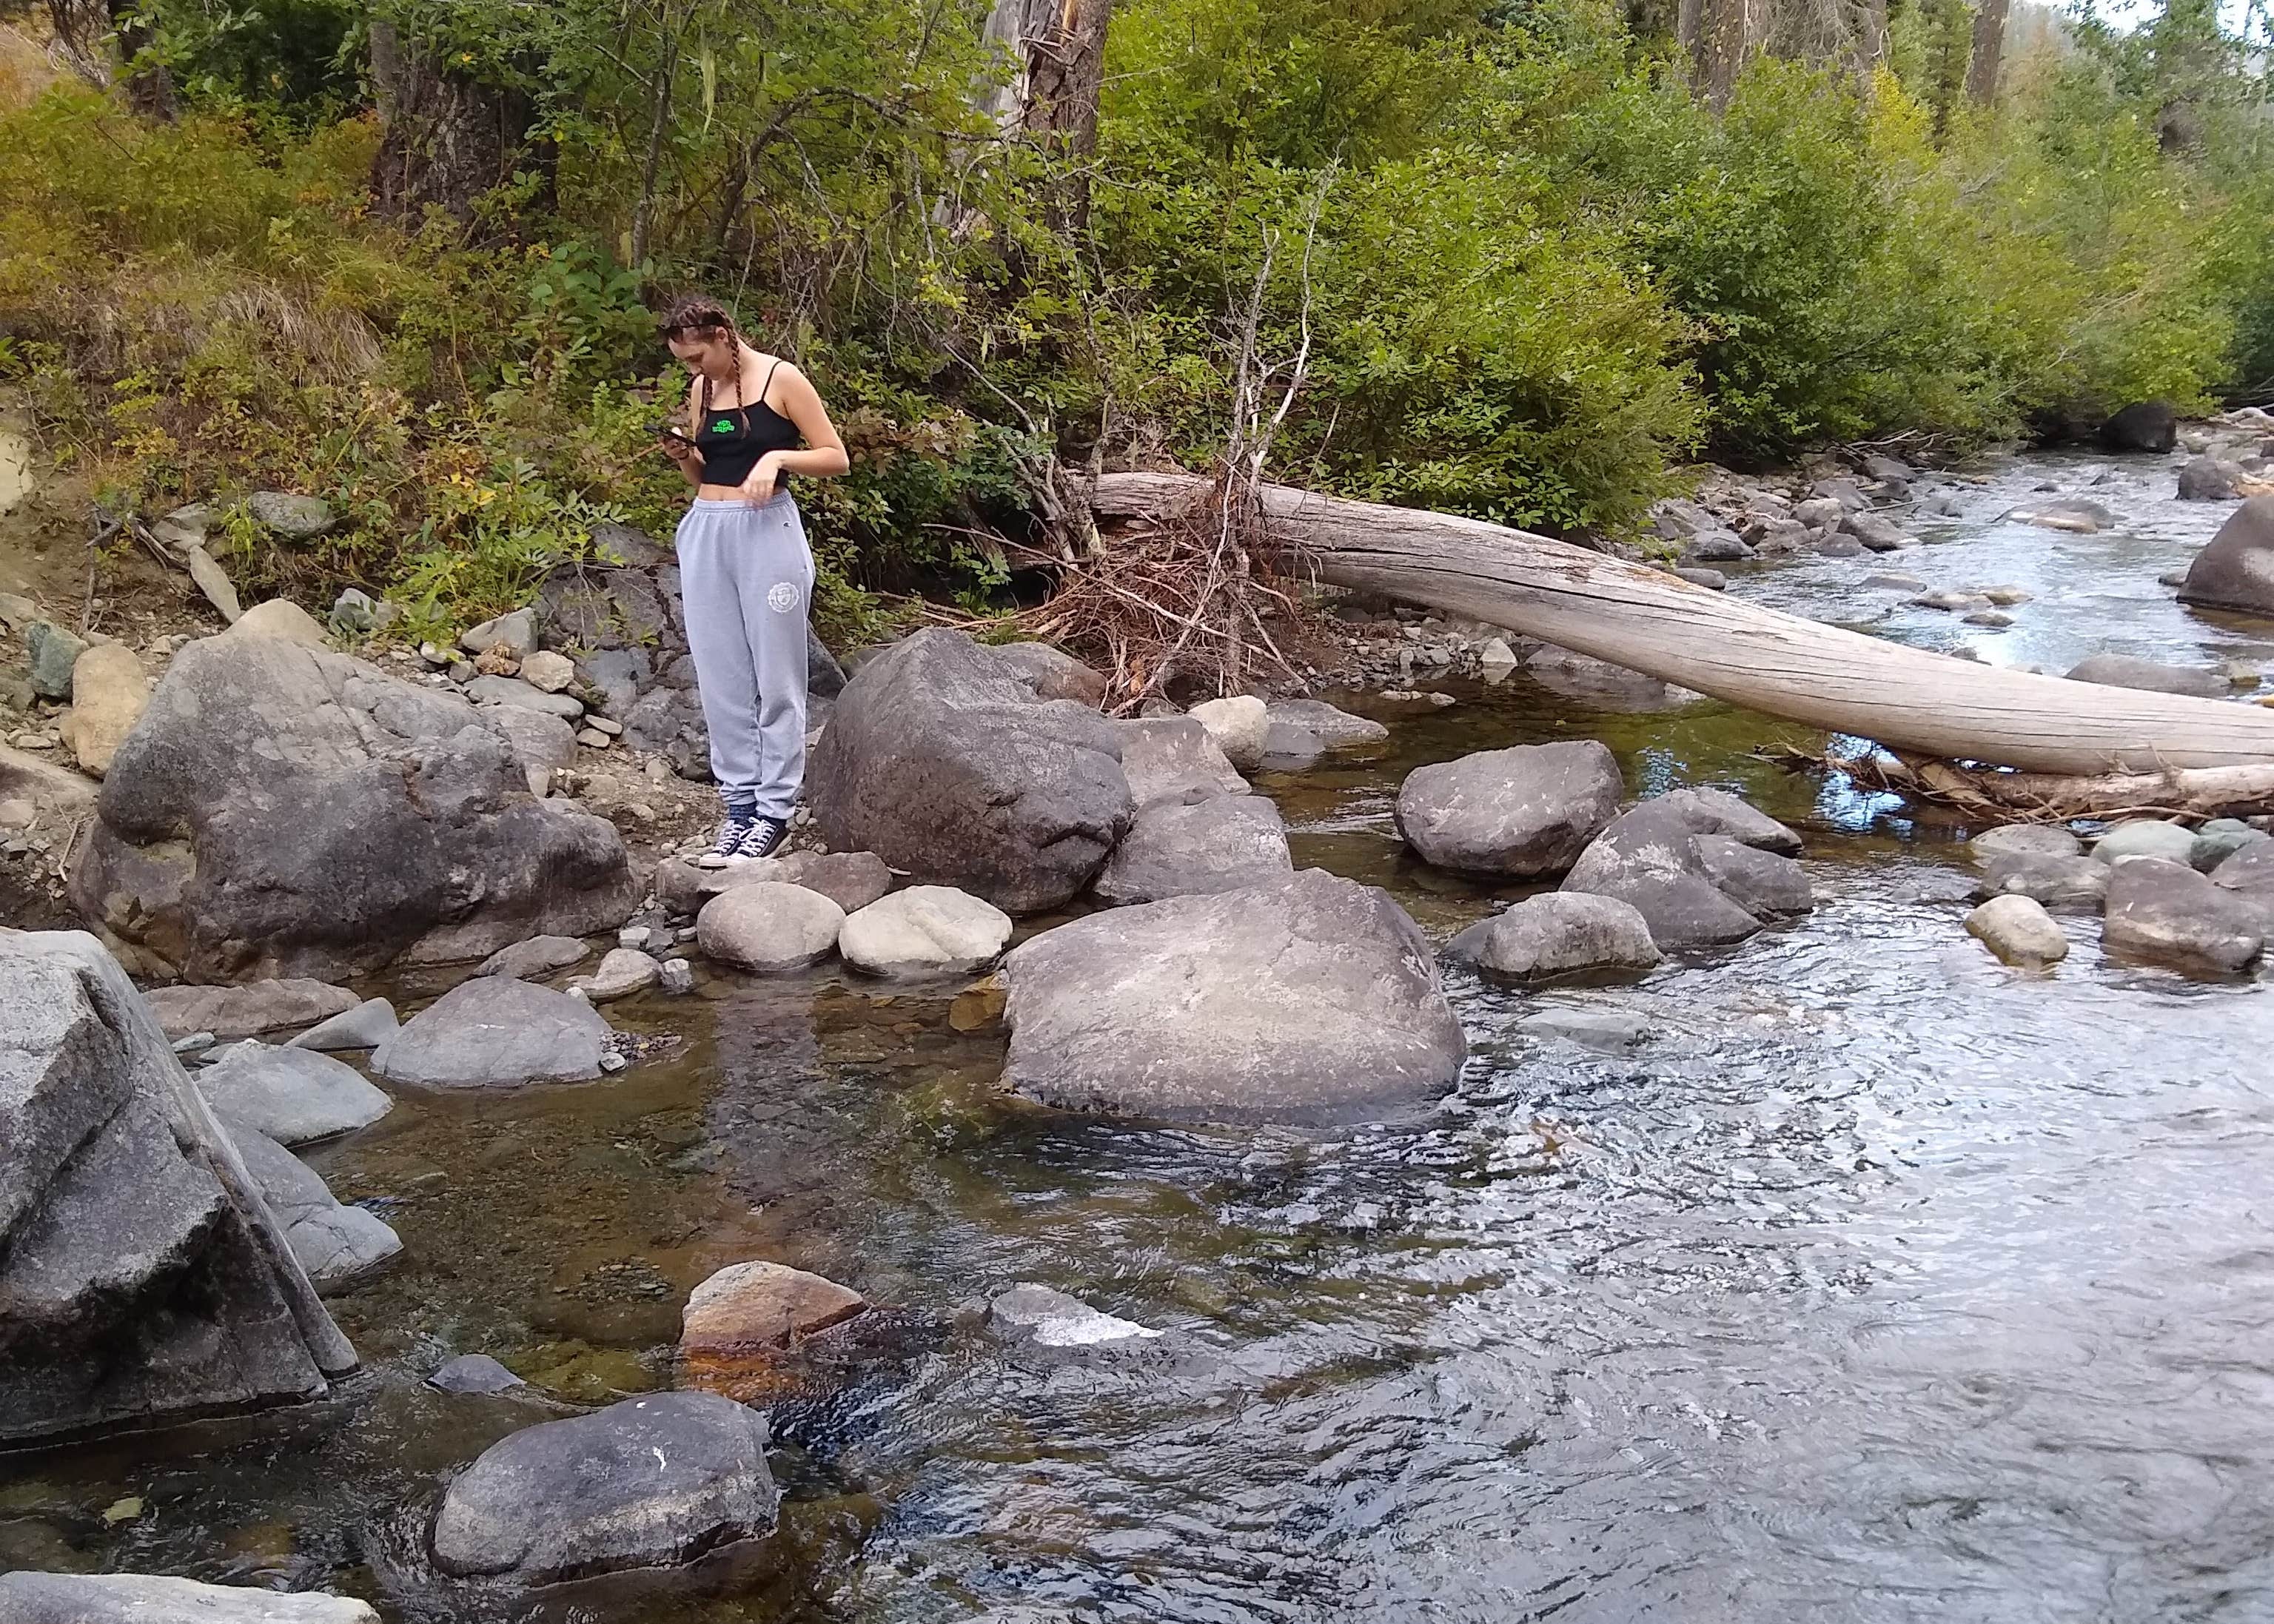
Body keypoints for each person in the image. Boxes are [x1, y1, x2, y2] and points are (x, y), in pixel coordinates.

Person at [654, 295, 850, 863]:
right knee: (721, 676)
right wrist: (683, 455)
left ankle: (774, 810)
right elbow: (704, 470)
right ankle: (738, 805)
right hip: (708, 528)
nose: (693, 370)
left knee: (777, 673)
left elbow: (836, 456)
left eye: (698, 357)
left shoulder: (782, 379)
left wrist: (778, 459)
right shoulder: (703, 391)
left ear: (723, 336)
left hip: (767, 533)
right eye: (683, 361)